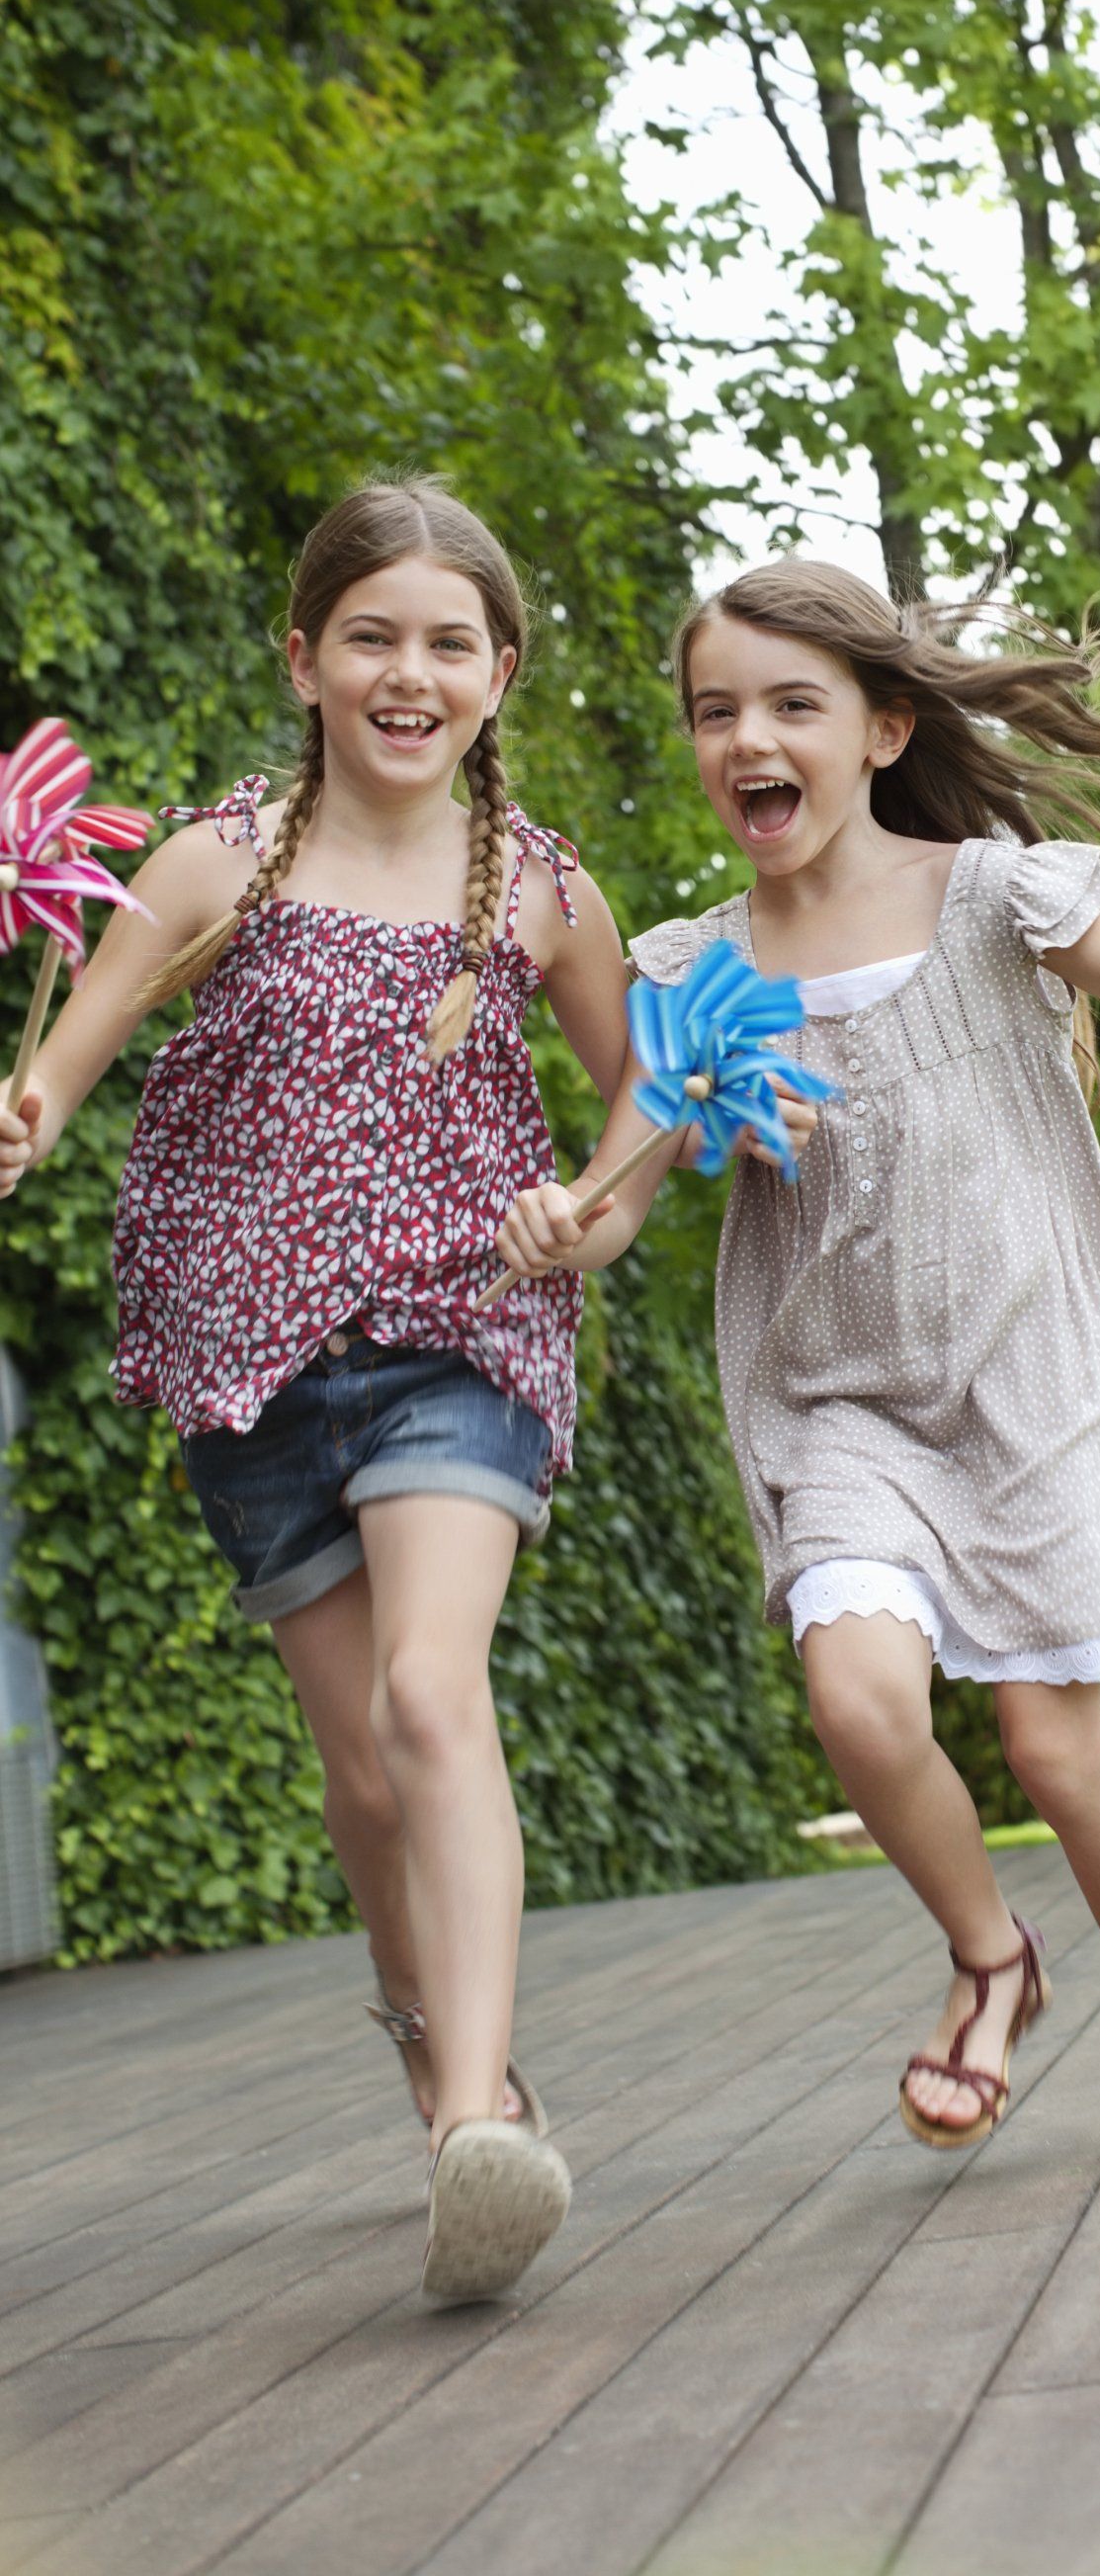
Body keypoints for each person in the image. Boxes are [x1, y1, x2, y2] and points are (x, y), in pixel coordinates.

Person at [496, 559, 1100, 2158]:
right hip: (839, 1403)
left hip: (1038, 1383)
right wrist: (564, 1226)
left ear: (886, 728)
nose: (748, 735)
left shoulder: (991, 899)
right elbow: (621, 1188)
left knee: (1048, 1739)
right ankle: (989, 1957)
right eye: (715, 711)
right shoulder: (695, 974)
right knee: (861, 1701)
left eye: (791, 705)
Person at [0, 477, 625, 2298]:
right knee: (359, 1766)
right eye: (372, 637)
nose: (408, 674)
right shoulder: (211, 859)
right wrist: (24, 1115)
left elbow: (644, 1098)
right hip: (250, 1360)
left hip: (459, 1332)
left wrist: (588, 1215)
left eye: (449, 643)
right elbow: (72, 1054)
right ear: (305, 658)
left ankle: (478, 2117)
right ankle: (428, 2036)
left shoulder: (545, 889)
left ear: (500, 673)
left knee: (435, 1698)